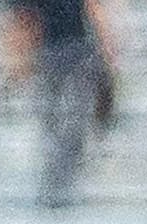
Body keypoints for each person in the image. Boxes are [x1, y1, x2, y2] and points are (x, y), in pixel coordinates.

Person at [32, 0, 112, 210]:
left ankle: (56, 180)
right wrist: (108, 52)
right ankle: (60, 181)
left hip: (54, 53)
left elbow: (24, 20)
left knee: (56, 122)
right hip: (74, 52)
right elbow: (95, 11)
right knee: (71, 122)